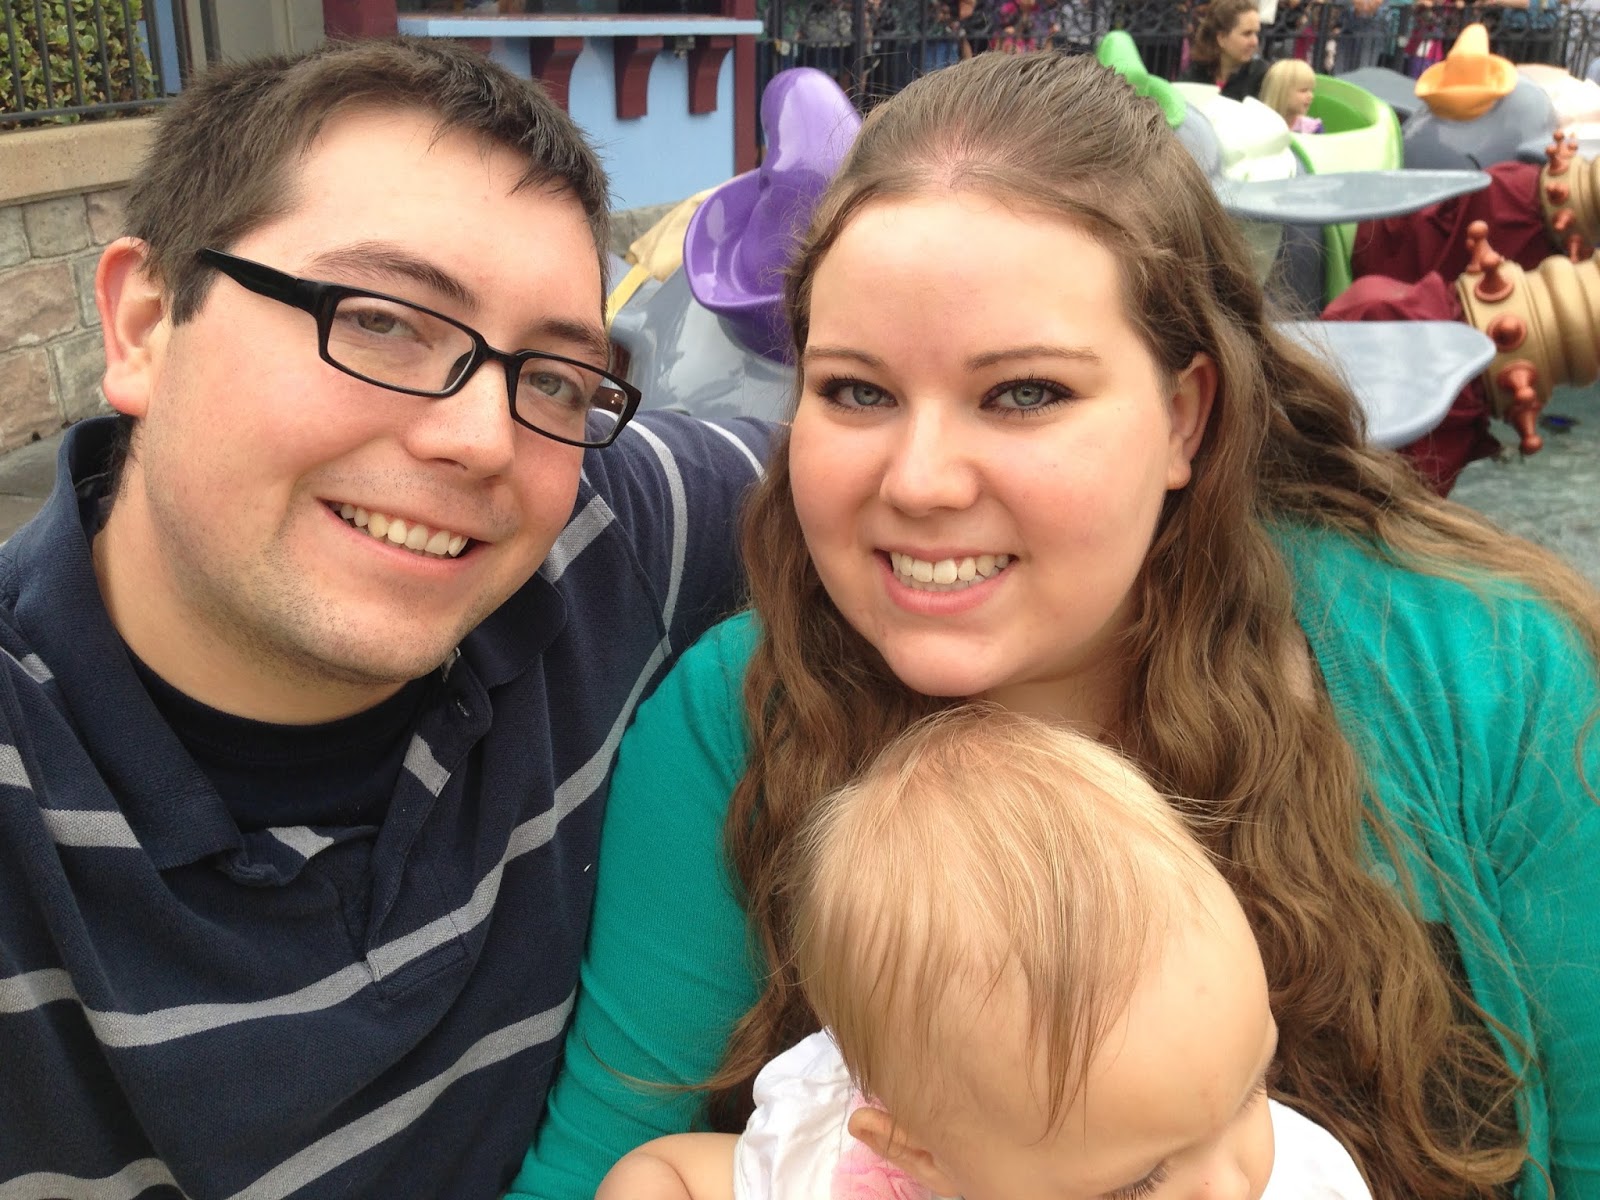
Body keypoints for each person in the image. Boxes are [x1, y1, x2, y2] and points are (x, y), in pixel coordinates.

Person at [512, 50, 1600, 1200]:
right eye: (857, 391)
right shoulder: (730, 727)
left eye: (1024, 393)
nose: (919, 479)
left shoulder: (1482, 673)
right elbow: (602, 1163)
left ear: (1184, 419)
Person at [0, 36, 767, 1200]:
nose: (482, 438)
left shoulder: (599, 541)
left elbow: (875, 487)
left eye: (554, 378)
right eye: (381, 321)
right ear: (145, 324)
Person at [596, 708, 1373, 1200]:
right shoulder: (826, 1165)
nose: (1234, 1183)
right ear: (922, 1155)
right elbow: (665, 1176)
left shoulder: (1302, 1179)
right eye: (1141, 1183)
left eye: (1250, 1089)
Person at [1183, 0, 1272, 99]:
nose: (1255, 42)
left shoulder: (1264, 78)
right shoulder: (1195, 75)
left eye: (1256, 33)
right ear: (1221, 38)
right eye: (1247, 34)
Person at [1261, 56, 1324, 129]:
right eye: (1303, 90)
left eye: (1311, 90)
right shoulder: (1259, 124)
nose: (1311, 96)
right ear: (1282, 92)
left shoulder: (1313, 128)